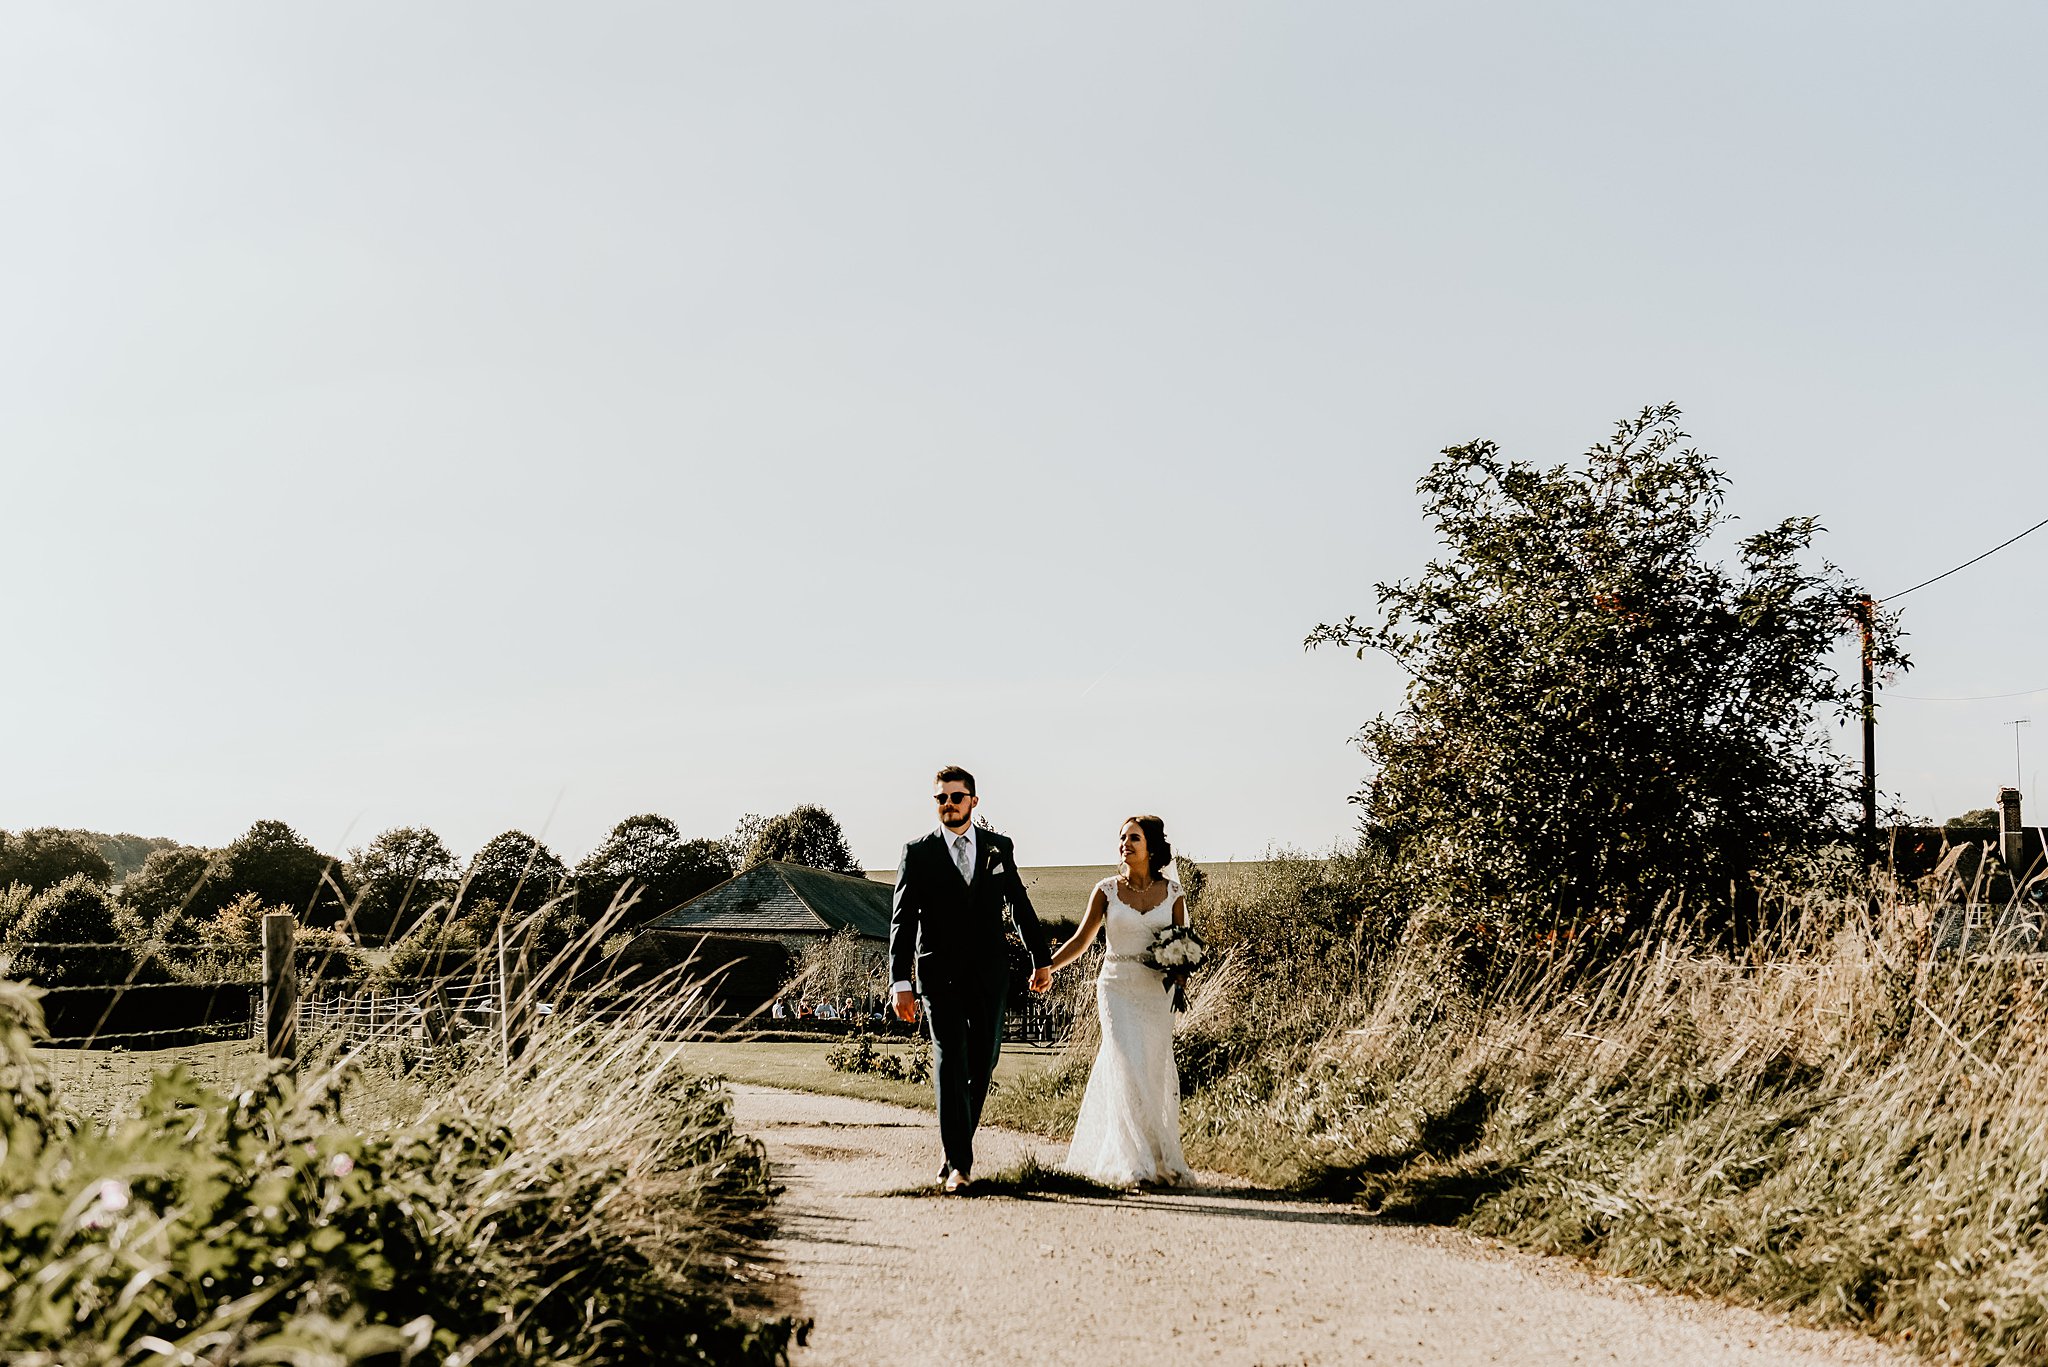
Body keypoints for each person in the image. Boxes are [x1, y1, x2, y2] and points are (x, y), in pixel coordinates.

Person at [890, 764, 1053, 1192]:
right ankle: (961, 1164)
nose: (948, 804)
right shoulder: (917, 853)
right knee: (950, 1057)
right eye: (941, 798)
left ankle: (952, 1150)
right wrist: (899, 980)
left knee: (983, 1062)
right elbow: (902, 921)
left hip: (988, 975)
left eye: (956, 797)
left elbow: (1018, 904)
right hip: (937, 976)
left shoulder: (998, 848)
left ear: (973, 802)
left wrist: (1041, 958)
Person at [1046, 814, 1195, 1187]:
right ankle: (1133, 1163)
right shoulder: (1106, 890)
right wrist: (1047, 967)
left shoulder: (1174, 894)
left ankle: (1157, 1155)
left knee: (1153, 1069)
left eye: (1134, 838)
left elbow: (1183, 944)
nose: (1125, 844)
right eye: (1122, 838)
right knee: (1126, 1065)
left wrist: (1180, 976)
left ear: (1152, 847)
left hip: (1155, 992)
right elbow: (1082, 940)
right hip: (1115, 987)